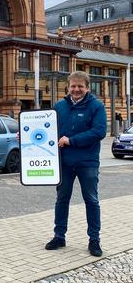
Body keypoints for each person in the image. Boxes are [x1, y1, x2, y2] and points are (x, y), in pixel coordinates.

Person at [45, 71, 106, 257]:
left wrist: (71, 140)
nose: (76, 89)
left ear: (87, 87)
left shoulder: (97, 106)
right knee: (62, 199)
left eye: (80, 86)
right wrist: (24, 135)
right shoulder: (59, 106)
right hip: (64, 162)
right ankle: (59, 236)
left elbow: (99, 131)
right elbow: (47, 130)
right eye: (73, 86)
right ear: (68, 87)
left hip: (87, 162)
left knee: (91, 200)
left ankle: (94, 240)